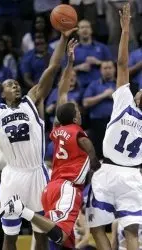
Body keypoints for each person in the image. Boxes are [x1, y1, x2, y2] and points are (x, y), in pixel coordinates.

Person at [0, 38, 100, 250]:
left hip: (36, 174)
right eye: (9, 85)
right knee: (9, 237)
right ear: (1, 92)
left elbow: (52, 68)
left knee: (41, 235)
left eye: (16, 84)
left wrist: (61, 38)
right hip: (12, 175)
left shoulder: (30, 102)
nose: (15, 86)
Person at [85, 4, 142, 250]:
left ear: (138, 97)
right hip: (132, 175)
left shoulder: (124, 101)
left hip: (108, 172)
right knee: (130, 233)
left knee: (97, 228)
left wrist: (125, 30)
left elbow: (121, 63)